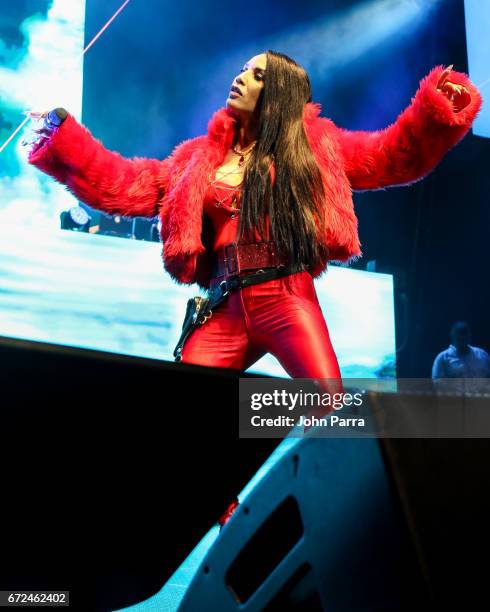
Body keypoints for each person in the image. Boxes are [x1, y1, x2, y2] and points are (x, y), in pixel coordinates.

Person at [26, 51, 482, 380]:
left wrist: (435, 113)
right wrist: (65, 137)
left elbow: (391, 156)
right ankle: (224, 512)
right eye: (241, 70)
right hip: (222, 304)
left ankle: (260, 445)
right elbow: (123, 183)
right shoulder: (195, 160)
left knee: (326, 409)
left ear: (279, 92)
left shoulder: (314, 148)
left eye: (255, 74)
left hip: (286, 296)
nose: (240, 77)